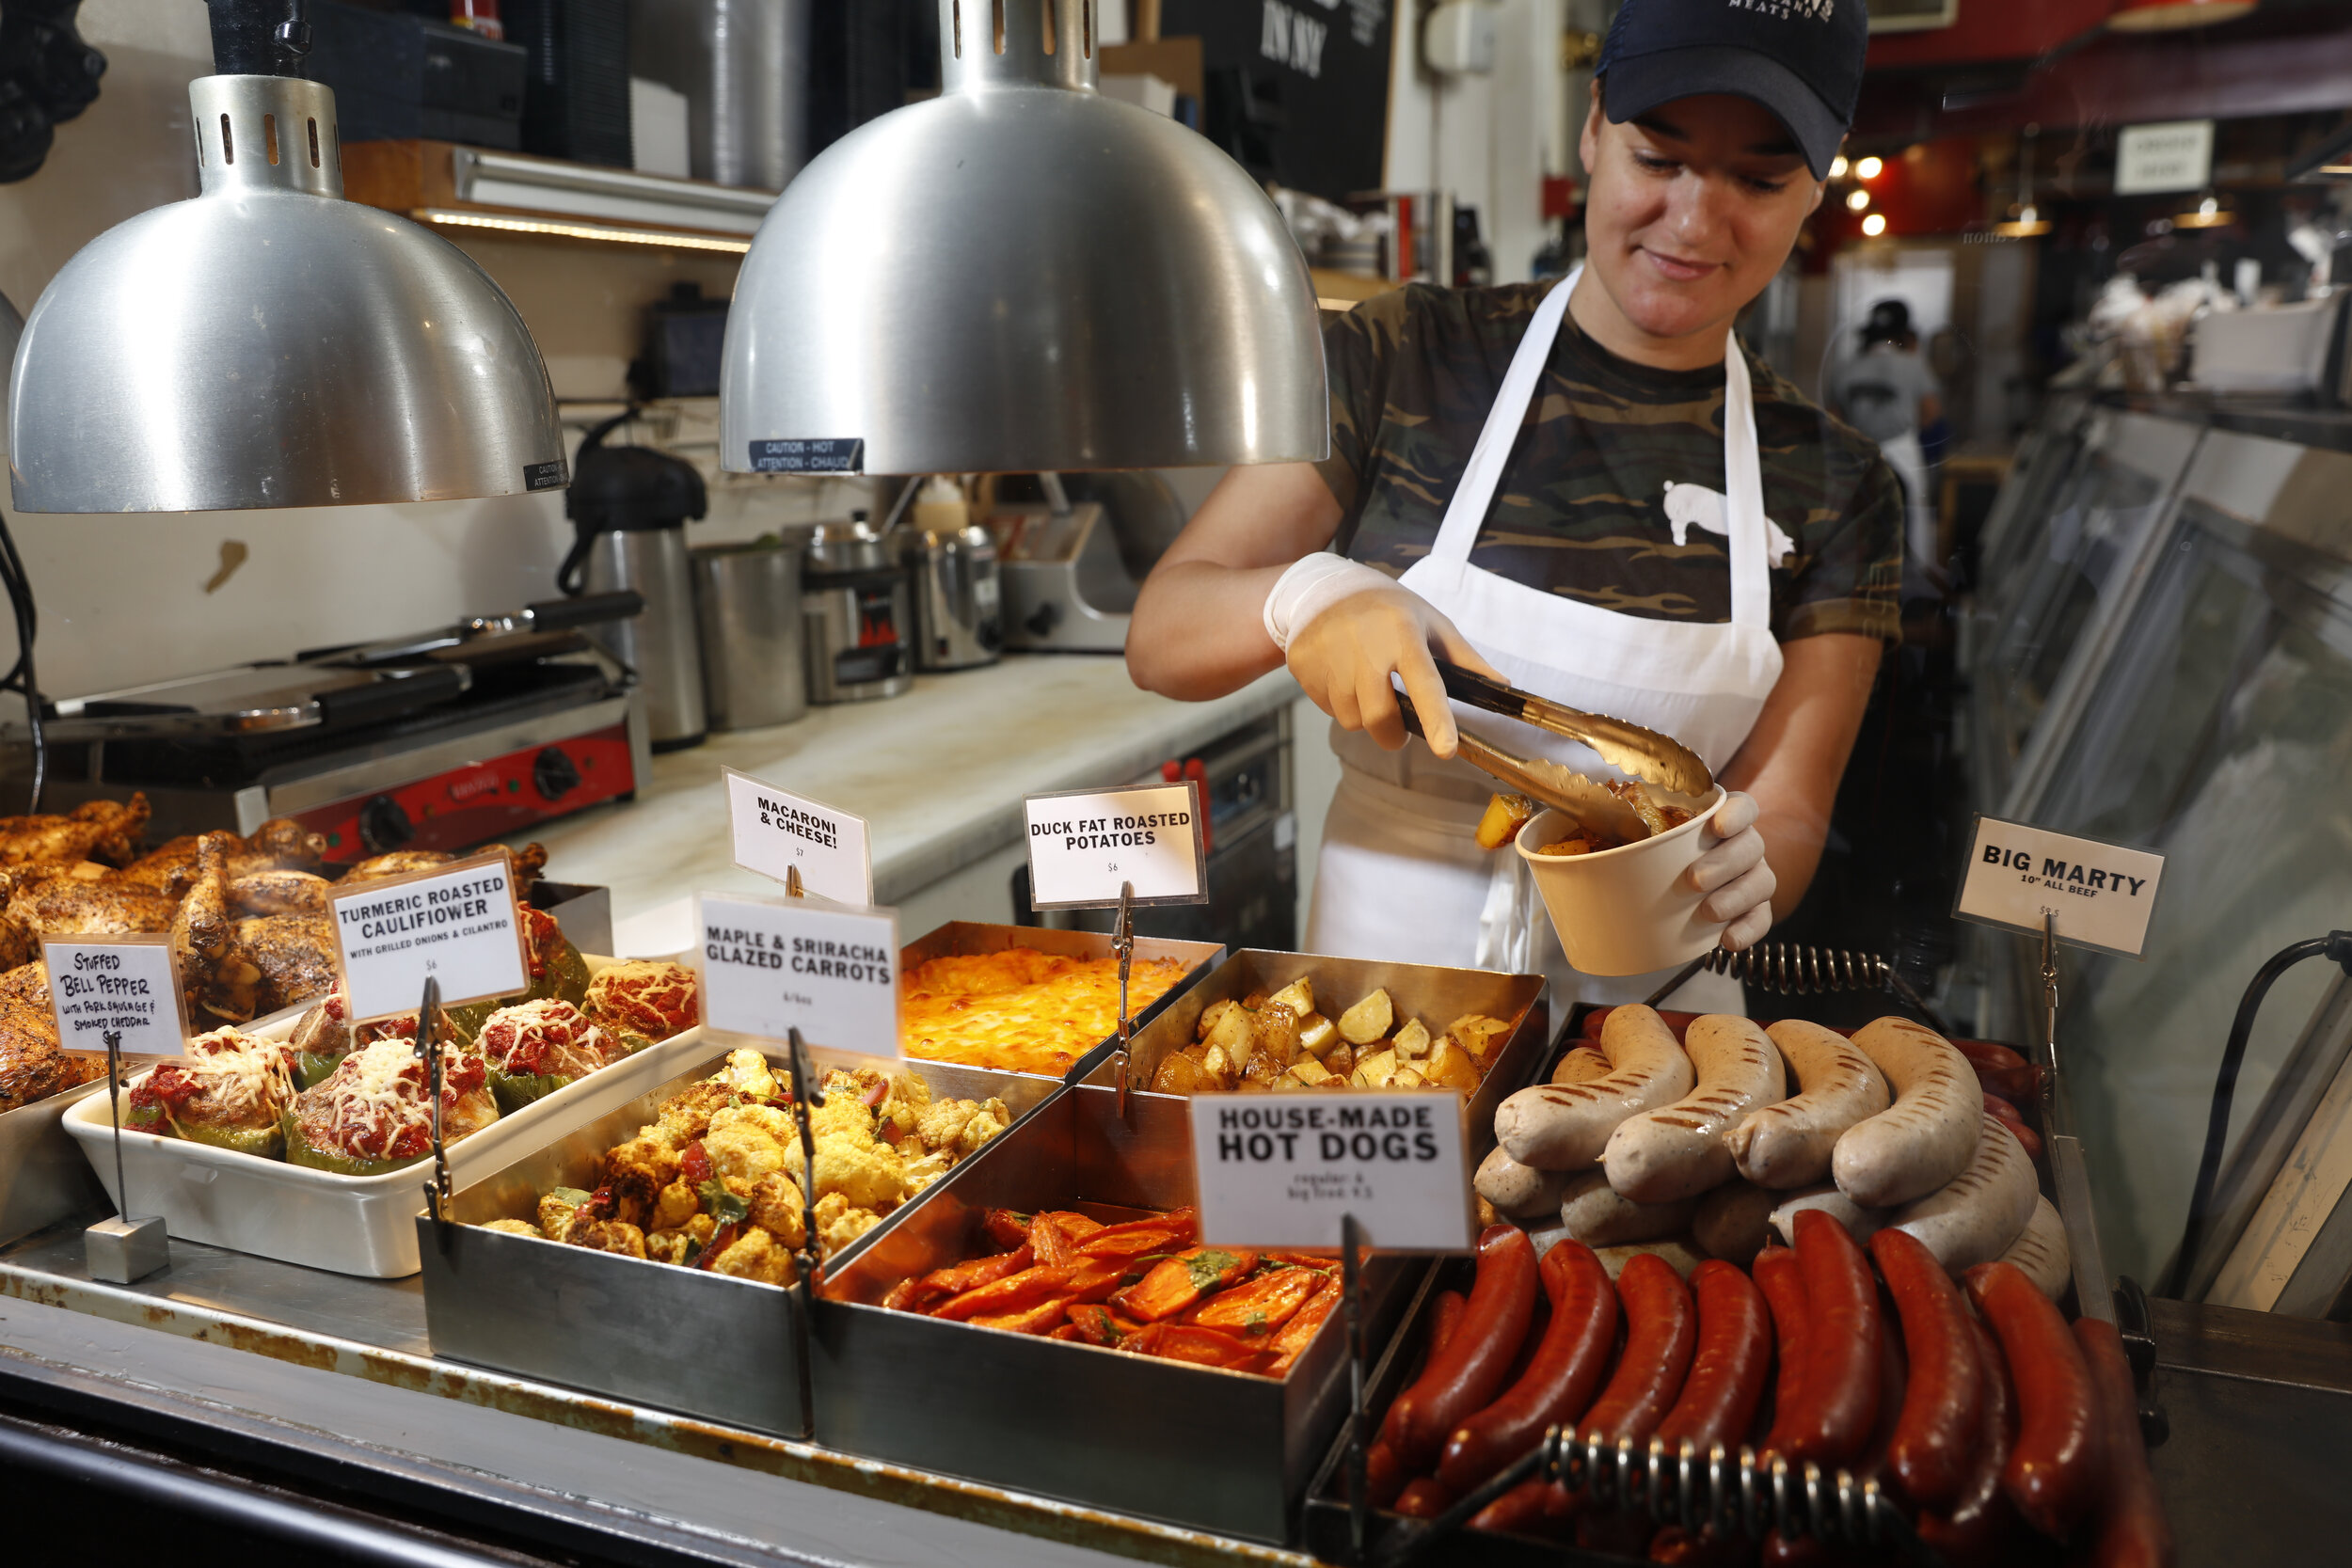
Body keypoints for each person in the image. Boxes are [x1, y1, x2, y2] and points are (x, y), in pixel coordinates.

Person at [1126, 0, 1902, 1014]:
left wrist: (1747, 863)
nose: (1694, 219)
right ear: (1592, 129)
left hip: (1655, 1035)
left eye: (1757, 179)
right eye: (1656, 157)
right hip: (1380, 1006)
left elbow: (1790, 803)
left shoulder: (1836, 482)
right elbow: (1162, 631)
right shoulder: (1407, 353)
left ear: (1817, 182)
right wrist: (1312, 592)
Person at [1829, 298, 1945, 597]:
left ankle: (1857, 585)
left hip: (1857, 450)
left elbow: (1833, 418)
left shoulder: (1846, 368)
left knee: (1855, 518)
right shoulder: (1913, 365)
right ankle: (1916, 586)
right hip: (1901, 447)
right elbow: (1931, 412)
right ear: (1904, 335)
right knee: (1914, 516)